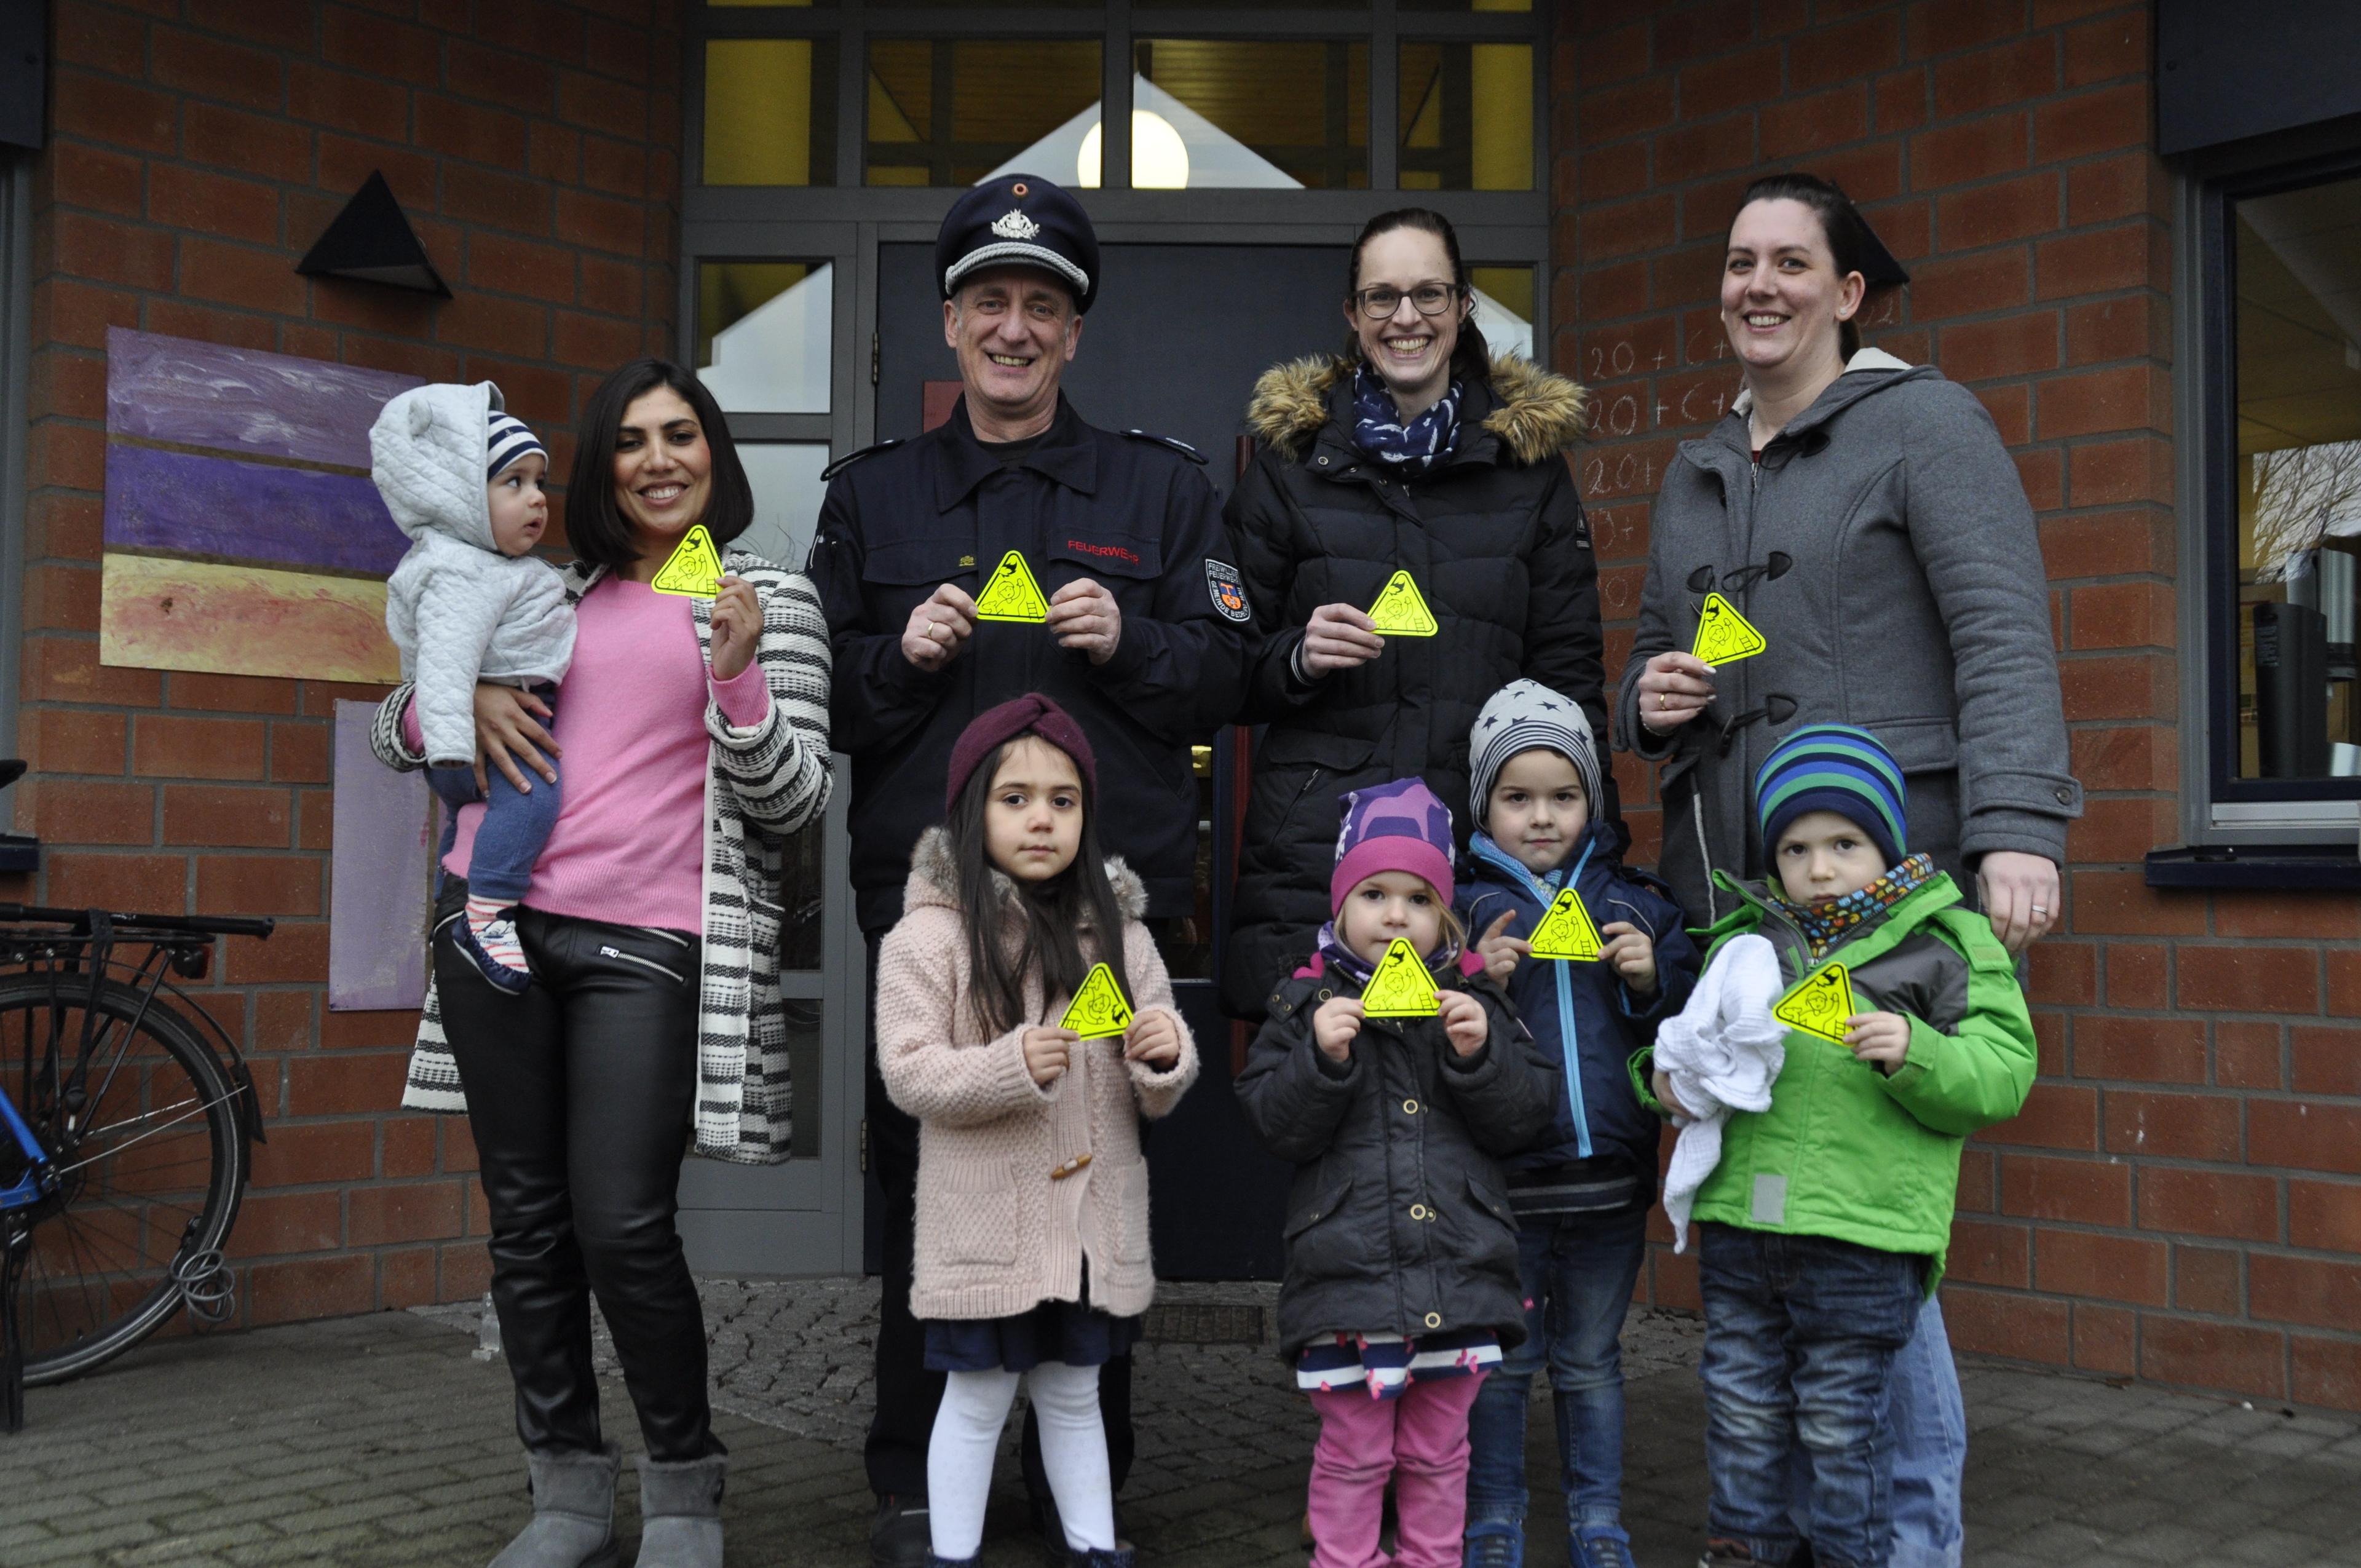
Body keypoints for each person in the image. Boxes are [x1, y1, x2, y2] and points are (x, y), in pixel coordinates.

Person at [1616, 173, 2081, 1568]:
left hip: (1891, 886)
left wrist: (2016, 826)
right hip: (1742, 899)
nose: (1755, 285)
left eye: (1788, 262)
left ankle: (1907, 1535)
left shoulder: (1926, 425)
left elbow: (2000, 628)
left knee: (1875, 1227)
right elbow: (1647, 656)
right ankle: (1846, 1534)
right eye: (1737, 261)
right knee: (1824, 1228)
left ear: (1847, 291)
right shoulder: (1699, 466)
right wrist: (1647, 699)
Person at [808, 173, 1248, 1568]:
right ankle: (911, 1480)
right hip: (935, 915)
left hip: (1100, 915)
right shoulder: (869, 496)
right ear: (950, 321)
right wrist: (895, 659)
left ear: (1074, 331)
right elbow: (819, 701)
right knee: (923, 1183)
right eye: (988, 301)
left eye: (1041, 307)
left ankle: (1082, 1490)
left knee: (1091, 1180)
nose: (1013, 327)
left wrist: (1135, 639)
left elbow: (1228, 675)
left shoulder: (1162, 489)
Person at [371, 360, 832, 1568]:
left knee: (622, 1224)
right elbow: (391, 728)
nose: (658, 460)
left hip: (647, 946)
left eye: (681, 435)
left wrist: (736, 673)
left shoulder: (767, 597)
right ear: (602, 466)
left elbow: (794, 802)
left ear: (714, 452)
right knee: (528, 1227)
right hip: (496, 929)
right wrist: (458, 704)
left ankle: (685, 1492)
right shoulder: (547, 585)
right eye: (631, 441)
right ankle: (567, 1493)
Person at [1642, 726, 2035, 1568]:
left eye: (1844, 844)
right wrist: (1664, 1082)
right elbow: (1692, 1045)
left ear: (1888, 845)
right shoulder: (1749, 944)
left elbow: (2004, 1073)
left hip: (1864, 1235)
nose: (1819, 869)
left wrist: (1916, 1050)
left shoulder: (1946, 944)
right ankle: (1747, 1549)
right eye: (1795, 848)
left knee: (1840, 1424)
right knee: (1741, 1410)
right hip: (1744, 1229)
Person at [1222, 207, 1609, 1022]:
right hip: (1316, 857)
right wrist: (1295, 657)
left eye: (1430, 294)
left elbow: (1570, 683)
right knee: (1319, 1084)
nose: (1407, 317)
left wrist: (1589, 855)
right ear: (1353, 313)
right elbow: (1218, 663)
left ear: (1463, 305)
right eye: (1383, 297)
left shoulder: (1529, 474)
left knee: (1477, 1076)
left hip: (1482, 857)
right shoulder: (1289, 468)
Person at [875, 695, 1198, 1568]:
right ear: (970, 810)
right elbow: (908, 1072)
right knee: (976, 1398)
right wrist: (1010, 1065)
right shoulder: (928, 937)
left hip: (1088, 1232)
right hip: (988, 1228)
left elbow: (1159, 1068)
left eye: (1063, 799)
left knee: (1075, 1394)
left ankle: (1094, 1549)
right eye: (1014, 798)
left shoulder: (1123, 936)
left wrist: (1165, 1054)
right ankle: (953, 1553)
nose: (1042, 818)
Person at [1235, 778, 1557, 1568]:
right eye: (1374, 895)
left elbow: (1525, 1117)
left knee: (1440, 1455)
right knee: (1354, 1454)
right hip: (1347, 1283)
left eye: (1419, 899)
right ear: (1340, 904)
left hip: (1459, 1277)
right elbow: (1273, 1122)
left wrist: (1481, 1057)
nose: (1395, 916)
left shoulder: (1475, 1001)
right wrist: (1321, 1061)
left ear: (1444, 915)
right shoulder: (1303, 1005)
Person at [1451, 682, 1701, 1568]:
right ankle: (1494, 1517)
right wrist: (1474, 977)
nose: (1542, 817)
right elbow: (1423, 1035)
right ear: (1483, 805)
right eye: (1517, 797)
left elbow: (1687, 1034)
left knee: (1593, 1360)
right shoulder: (1457, 908)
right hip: (1503, 1187)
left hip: (1608, 1185)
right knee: (1503, 1364)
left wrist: (1651, 980)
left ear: (1592, 800)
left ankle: (1600, 1519)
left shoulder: (1637, 905)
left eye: (1564, 796)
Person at [373, 384, 574, 991]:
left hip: (475, 735)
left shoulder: (489, 565)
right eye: (513, 482)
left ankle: (457, 886)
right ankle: (487, 916)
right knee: (534, 796)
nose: (536, 498)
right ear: (462, 495)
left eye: (539, 482)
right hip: (466, 741)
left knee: (469, 820)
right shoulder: (462, 571)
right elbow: (444, 663)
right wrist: (454, 739)